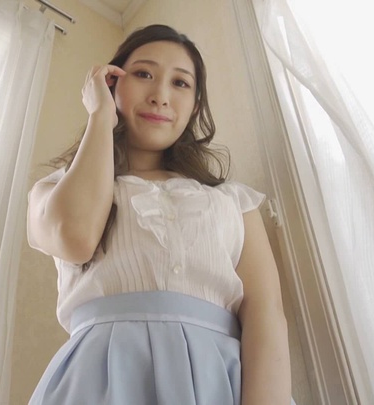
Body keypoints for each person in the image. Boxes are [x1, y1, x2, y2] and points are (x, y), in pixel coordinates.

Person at [26, 24, 294, 405]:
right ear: (112, 84)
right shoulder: (54, 189)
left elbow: (265, 315)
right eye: (143, 74)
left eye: (180, 83)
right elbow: (76, 237)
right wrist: (100, 115)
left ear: (195, 105)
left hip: (218, 383)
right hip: (96, 383)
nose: (160, 97)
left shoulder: (235, 202)